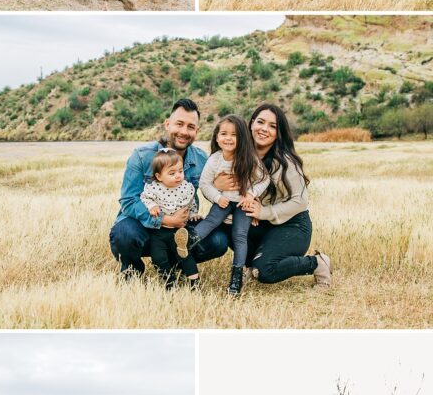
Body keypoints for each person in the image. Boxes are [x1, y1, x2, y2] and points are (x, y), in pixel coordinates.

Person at [214, 103, 331, 287]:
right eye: (260, 122)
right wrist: (216, 184)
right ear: (251, 124)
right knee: (223, 221)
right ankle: (248, 264)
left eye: (272, 126)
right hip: (261, 224)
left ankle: (317, 263)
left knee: (265, 270)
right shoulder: (236, 156)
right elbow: (223, 196)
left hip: (292, 225)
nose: (264, 129)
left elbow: (300, 201)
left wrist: (263, 212)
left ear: (279, 133)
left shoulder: (285, 162)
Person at [109, 98, 228, 276]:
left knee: (218, 241)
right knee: (124, 235)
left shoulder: (201, 159)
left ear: (197, 130)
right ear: (167, 124)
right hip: (144, 225)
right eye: (179, 124)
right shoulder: (142, 156)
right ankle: (133, 269)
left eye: (190, 127)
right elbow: (128, 201)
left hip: (180, 229)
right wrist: (164, 220)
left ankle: (175, 263)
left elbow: (218, 184)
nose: (184, 131)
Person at [175, 114, 269, 296]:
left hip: (242, 205)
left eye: (234, 134)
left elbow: (264, 180)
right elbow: (204, 184)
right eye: (223, 133)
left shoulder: (250, 158)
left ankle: (237, 275)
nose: (228, 138)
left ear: (242, 138)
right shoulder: (215, 159)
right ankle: (187, 243)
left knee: (239, 236)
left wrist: (251, 194)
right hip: (223, 201)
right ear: (217, 137)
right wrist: (217, 198)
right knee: (210, 221)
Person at [140, 147, 200, 288]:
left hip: (179, 230)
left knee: (184, 255)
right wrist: (152, 206)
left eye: (180, 171)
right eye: (172, 173)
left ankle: (194, 283)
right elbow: (145, 198)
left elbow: (191, 201)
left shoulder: (185, 187)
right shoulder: (154, 188)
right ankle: (169, 282)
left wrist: (193, 214)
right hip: (159, 230)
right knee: (158, 258)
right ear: (159, 176)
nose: (178, 176)